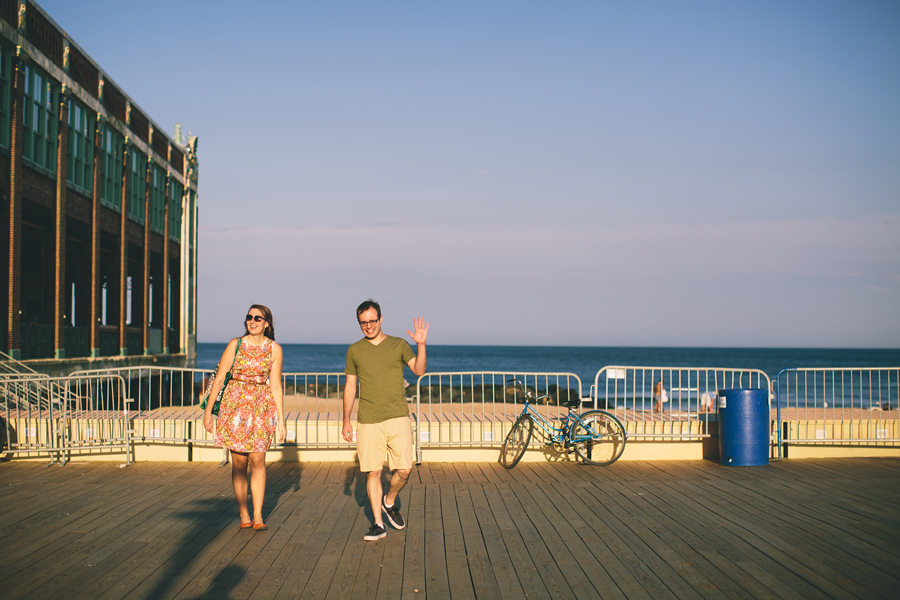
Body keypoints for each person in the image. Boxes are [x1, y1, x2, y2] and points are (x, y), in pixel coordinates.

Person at [342, 299, 428, 541]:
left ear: (380, 319)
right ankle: (378, 524)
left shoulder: (399, 344)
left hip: (398, 415)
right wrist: (346, 420)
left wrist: (421, 345)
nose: (368, 326)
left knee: (404, 469)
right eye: (363, 323)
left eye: (372, 321)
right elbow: (350, 386)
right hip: (368, 420)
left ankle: (389, 502)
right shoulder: (354, 350)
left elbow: (419, 370)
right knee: (373, 472)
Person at [203, 304, 286, 531]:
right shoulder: (236, 344)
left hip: (261, 407)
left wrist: (281, 420)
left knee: (258, 460)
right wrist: (209, 412)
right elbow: (220, 379)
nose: (252, 321)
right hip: (235, 407)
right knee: (239, 463)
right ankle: (243, 513)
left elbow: (276, 386)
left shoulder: (274, 349)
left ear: (266, 323)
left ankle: (258, 514)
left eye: (258, 318)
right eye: (249, 317)